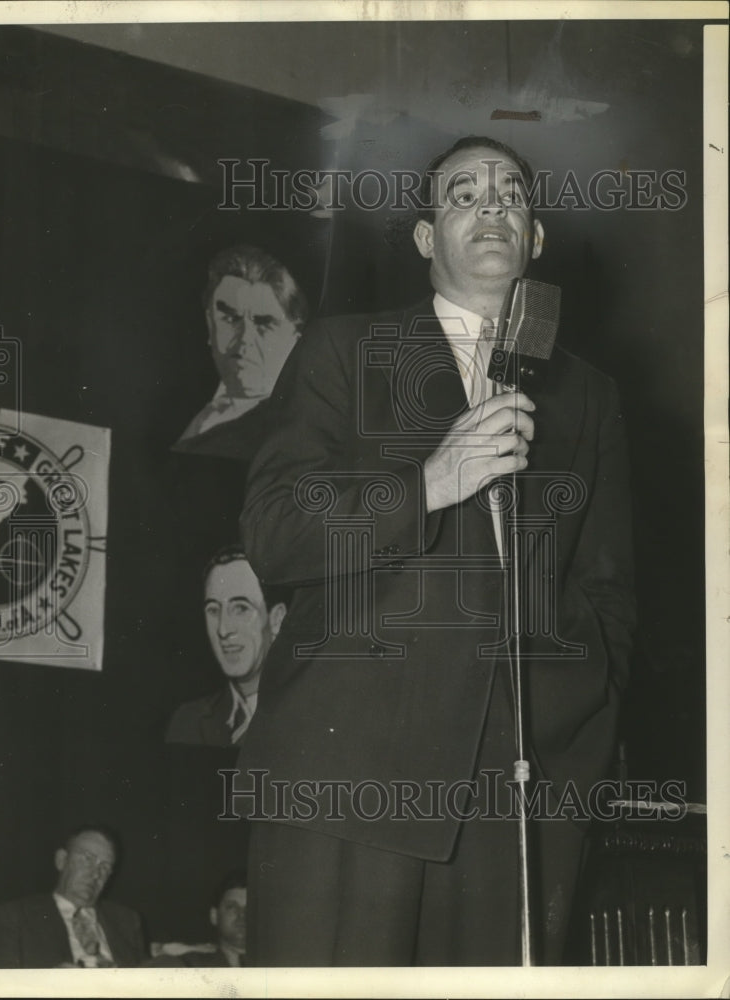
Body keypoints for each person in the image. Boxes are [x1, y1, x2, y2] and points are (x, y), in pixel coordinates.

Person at [235, 136, 635, 965]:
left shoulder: (589, 394)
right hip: (353, 778)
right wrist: (429, 482)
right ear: (425, 240)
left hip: (518, 793)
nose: (491, 205)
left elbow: (608, 590)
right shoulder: (342, 350)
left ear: (535, 238)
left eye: (511, 193)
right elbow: (275, 528)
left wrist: (568, 736)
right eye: (463, 193)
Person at [173, 244, 309, 462]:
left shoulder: (297, 434)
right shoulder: (181, 406)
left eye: (264, 324)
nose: (245, 339)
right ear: (210, 324)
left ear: (295, 338)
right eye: (230, 319)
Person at [166, 546, 288, 747]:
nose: (223, 629)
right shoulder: (189, 723)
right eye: (213, 610)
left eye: (240, 608)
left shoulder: (310, 718)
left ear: (277, 620)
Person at [0, 825, 145, 968]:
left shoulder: (128, 921)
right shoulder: (16, 916)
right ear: (61, 860)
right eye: (87, 859)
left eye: (105, 867)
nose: (95, 874)